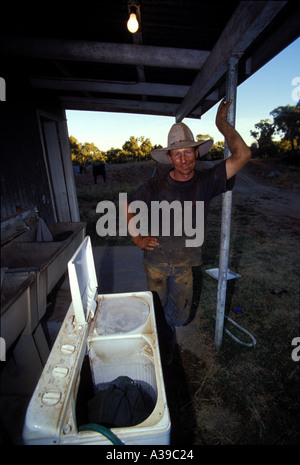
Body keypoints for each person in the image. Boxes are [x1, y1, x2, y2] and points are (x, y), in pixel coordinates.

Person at [127, 98, 251, 361]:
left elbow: (243, 155)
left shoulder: (208, 181)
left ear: (196, 153)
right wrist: (137, 238)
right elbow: (129, 208)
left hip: (185, 266)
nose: (183, 159)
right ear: (169, 157)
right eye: (177, 154)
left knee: (181, 315)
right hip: (156, 264)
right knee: (157, 312)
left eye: (188, 152)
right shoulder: (155, 186)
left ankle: (169, 333)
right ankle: (164, 347)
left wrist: (222, 125)